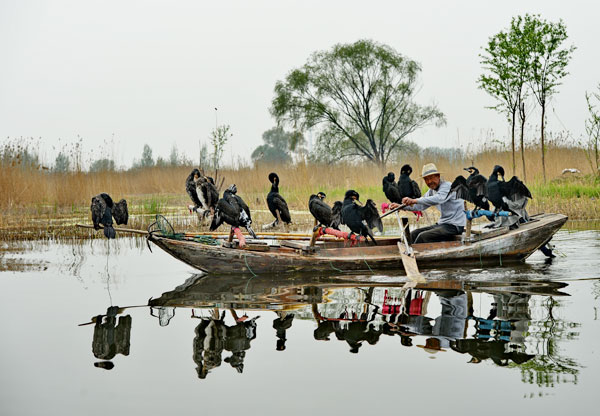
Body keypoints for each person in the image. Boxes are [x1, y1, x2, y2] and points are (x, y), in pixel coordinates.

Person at [391, 163, 466, 244]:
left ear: (438, 176)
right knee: (413, 234)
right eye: (426, 179)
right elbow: (419, 206)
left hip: (455, 226)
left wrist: (414, 200)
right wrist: (400, 206)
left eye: (431, 178)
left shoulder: (448, 186)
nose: (429, 182)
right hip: (443, 224)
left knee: (423, 237)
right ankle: (409, 252)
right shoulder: (432, 191)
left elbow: (438, 199)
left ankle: (416, 254)